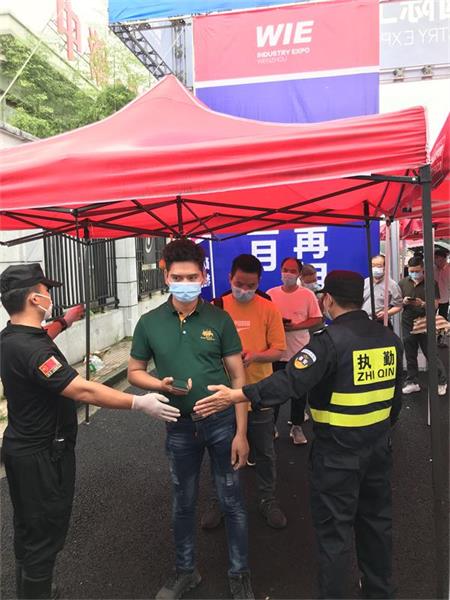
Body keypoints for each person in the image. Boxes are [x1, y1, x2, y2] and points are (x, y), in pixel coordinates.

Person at [195, 270, 404, 599]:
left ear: (328, 299)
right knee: (376, 525)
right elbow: (395, 402)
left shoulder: (329, 342)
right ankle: (380, 592)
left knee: (334, 533)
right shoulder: (388, 339)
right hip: (378, 451)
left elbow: (289, 382)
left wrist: (239, 394)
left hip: (337, 456)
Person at [0, 263, 179, 600]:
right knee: (44, 532)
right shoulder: (31, 350)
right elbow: (82, 390)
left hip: (23, 448)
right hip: (42, 455)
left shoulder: (13, 336)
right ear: (34, 298)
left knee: (29, 526)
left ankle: (34, 586)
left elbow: (42, 340)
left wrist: (64, 322)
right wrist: (138, 402)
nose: (50, 296)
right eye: (46, 291)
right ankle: (36, 590)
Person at [127, 239, 253, 600]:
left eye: (192, 277)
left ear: (204, 277)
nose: (185, 283)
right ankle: (186, 571)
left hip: (222, 422)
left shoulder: (219, 318)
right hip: (179, 426)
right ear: (166, 277)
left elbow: (238, 377)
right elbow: (134, 371)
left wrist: (241, 433)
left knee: (232, 500)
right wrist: (159, 384)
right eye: (178, 277)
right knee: (183, 502)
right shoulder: (149, 323)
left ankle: (240, 573)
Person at [201, 254, 287, 530]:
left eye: (251, 286)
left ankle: (267, 499)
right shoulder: (215, 308)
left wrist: (256, 356)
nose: (244, 290)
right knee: (221, 451)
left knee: (264, 452)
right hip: (223, 393)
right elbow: (203, 350)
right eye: (239, 284)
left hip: (259, 391)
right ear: (230, 279)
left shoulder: (268, 308)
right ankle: (219, 500)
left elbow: (279, 350)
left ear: (259, 282)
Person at [267, 257, 322, 445]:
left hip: (300, 351)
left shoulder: (307, 295)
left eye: (292, 271)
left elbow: (316, 318)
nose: (288, 274)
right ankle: (271, 427)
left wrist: (296, 326)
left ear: (299, 274)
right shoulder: (271, 294)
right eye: (285, 269)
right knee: (274, 392)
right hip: (276, 351)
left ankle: (296, 427)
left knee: (299, 393)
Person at [398, 255, 447, 396]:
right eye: (411, 271)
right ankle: (412, 382)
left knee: (430, 352)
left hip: (426, 321)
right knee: (410, 353)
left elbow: (436, 305)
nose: (414, 273)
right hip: (408, 322)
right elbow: (397, 303)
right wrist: (403, 302)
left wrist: (422, 304)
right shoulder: (403, 283)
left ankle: (442, 381)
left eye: (417, 271)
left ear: (423, 269)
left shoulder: (431, 283)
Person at [362, 255, 403, 327]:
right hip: (364, 321)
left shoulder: (392, 285)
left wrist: (387, 313)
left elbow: (398, 306)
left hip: (381, 322)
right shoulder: (365, 282)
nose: (375, 268)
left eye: (379, 266)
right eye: (373, 266)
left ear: (385, 267)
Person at [434, 248, 450, 347]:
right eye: (436, 259)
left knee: (443, 320)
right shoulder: (432, 268)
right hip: (433, 299)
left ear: (445, 259)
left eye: (439, 260)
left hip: (444, 298)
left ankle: (441, 339)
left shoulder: (449, 269)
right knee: (430, 318)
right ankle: (429, 338)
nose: (437, 262)